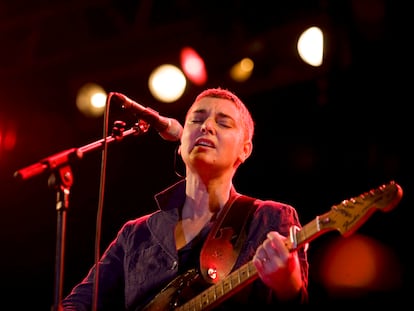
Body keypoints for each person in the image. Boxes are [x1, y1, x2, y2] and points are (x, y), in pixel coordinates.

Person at [61, 87, 309, 310]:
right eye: (197, 120)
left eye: (223, 123)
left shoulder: (269, 218)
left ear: (245, 150)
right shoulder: (136, 233)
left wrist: (289, 285)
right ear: (180, 144)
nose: (207, 126)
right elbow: (78, 303)